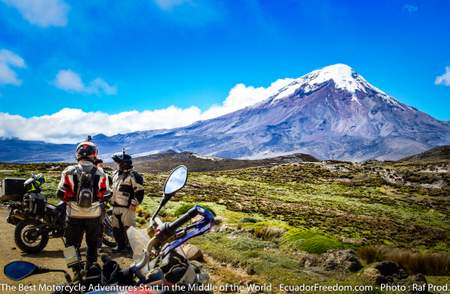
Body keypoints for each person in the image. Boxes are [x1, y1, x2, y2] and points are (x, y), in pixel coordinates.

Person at [57, 138, 108, 267]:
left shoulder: (68, 171)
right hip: (94, 216)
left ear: (77, 154)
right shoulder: (101, 173)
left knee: (70, 246)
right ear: (94, 154)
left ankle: (75, 271)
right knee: (92, 245)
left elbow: (60, 193)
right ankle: (90, 269)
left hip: (74, 215)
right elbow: (106, 194)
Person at [110, 150, 144, 253]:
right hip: (115, 206)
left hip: (127, 207)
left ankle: (131, 248)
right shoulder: (115, 174)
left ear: (125, 163)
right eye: (118, 163)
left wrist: (134, 204)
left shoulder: (134, 175)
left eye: (120, 163)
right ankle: (120, 246)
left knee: (129, 229)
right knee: (116, 228)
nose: (118, 165)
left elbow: (139, 191)